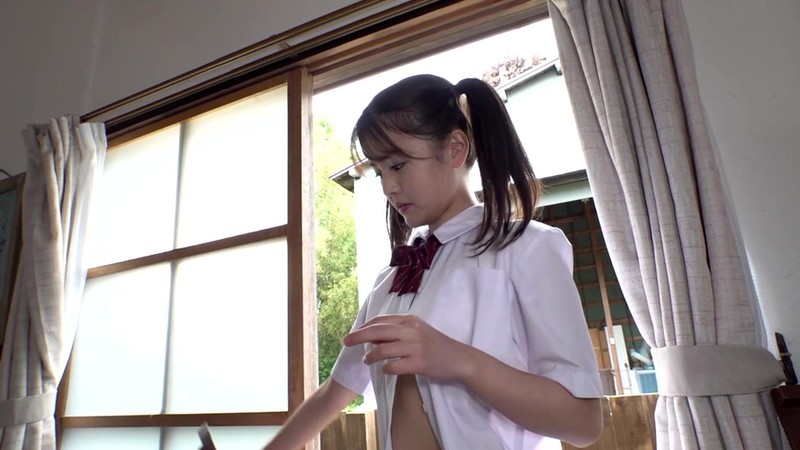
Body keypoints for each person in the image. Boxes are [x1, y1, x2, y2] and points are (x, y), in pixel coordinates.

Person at [261, 74, 603, 450]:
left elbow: (584, 423)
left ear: (455, 149)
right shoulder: (390, 279)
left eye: (398, 165)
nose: (387, 186)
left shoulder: (529, 248)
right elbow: (335, 391)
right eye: (379, 170)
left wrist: (460, 360)